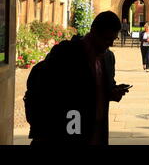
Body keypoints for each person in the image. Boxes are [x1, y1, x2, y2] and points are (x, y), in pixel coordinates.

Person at [25, 11, 130, 145]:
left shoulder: (108, 57)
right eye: (106, 39)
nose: (110, 44)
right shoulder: (66, 52)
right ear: (94, 31)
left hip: (96, 132)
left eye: (113, 39)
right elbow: (41, 86)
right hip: (68, 128)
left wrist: (112, 92)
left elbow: (103, 87)